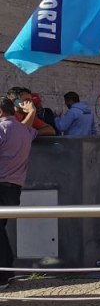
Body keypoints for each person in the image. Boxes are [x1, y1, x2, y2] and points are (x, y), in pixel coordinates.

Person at [0, 98, 36, 286]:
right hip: (14, 189)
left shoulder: (1, 129)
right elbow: (26, 128)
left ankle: (3, 275)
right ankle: (6, 273)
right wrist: (32, 112)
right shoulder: (24, 131)